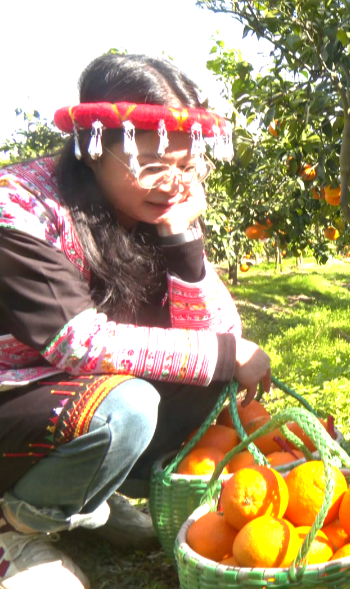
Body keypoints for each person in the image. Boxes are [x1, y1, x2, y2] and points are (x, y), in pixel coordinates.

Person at [0, 53, 272, 589]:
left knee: (206, 380)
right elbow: (77, 342)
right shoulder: (20, 206)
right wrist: (223, 354)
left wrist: (183, 241)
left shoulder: (149, 209)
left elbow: (218, 331)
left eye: (185, 166)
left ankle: (87, 498)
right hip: (14, 396)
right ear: (93, 146)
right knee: (128, 406)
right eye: (151, 163)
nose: (172, 182)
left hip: (82, 392)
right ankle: (14, 527)